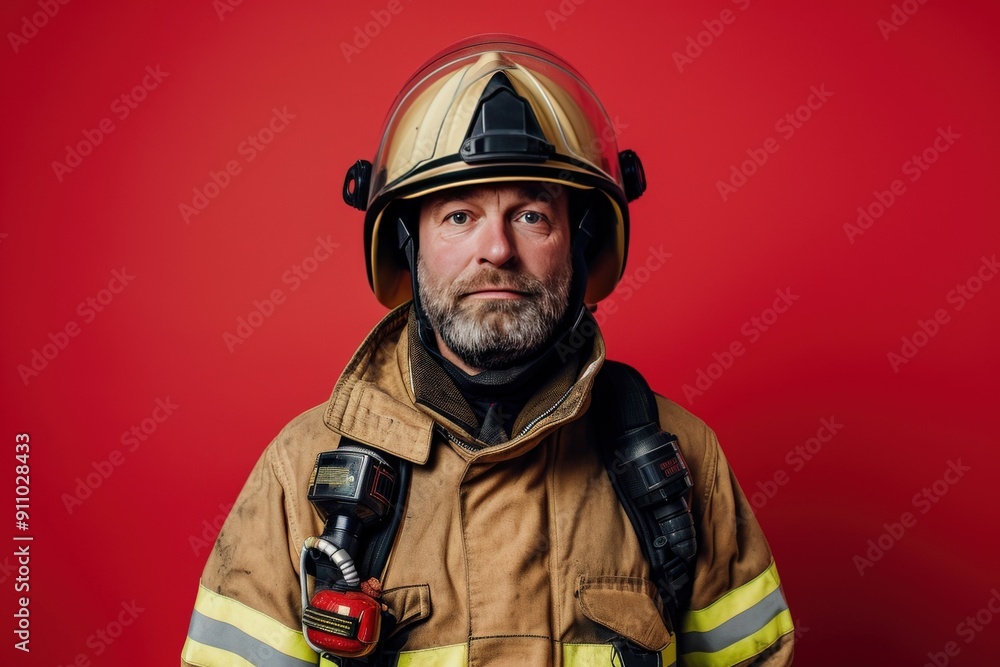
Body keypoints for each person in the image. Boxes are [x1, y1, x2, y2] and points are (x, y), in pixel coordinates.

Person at [181, 34, 794, 667]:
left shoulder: (681, 462)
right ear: (408, 246)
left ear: (581, 245)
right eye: (458, 215)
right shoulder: (301, 472)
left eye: (531, 215)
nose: (497, 249)